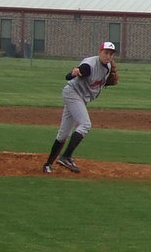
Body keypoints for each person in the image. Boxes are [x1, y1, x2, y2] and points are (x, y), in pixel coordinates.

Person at [43, 41, 118, 174]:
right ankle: (66, 156)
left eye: (111, 54)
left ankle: (48, 165)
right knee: (85, 124)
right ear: (99, 52)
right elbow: (70, 76)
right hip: (73, 93)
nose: (108, 56)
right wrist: (74, 73)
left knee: (63, 134)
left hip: (79, 97)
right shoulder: (89, 65)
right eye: (106, 53)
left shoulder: (108, 66)